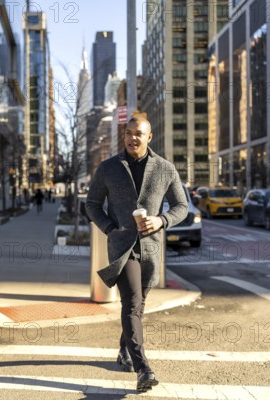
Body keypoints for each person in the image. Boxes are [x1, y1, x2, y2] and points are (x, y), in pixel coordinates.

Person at [85, 116, 188, 393]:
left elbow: (182, 206)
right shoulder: (108, 168)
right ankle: (144, 369)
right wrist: (110, 228)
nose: (132, 138)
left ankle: (124, 349)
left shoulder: (165, 168)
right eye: (128, 133)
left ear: (149, 137)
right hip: (122, 248)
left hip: (151, 248)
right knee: (131, 304)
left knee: (138, 308)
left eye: (138, 134)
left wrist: (161, 220)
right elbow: (92, 204)